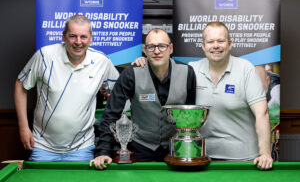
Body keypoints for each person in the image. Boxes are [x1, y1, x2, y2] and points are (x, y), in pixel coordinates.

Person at [133, 22, 273, 169]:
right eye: (210, 41)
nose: (216, 46)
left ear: (230, 44)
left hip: (242, 159)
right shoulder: (191, 70)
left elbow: (262, 114)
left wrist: (265, 153)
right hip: (200, 158)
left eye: (220, 41)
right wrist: (145, 61)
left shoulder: (246, 69)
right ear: (203, 45)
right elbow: (162, 65)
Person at [14, 15, 119, 162]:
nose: (78, 42)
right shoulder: (44, 56)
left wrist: (139, 65)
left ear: (91, 38)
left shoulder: (102, 62)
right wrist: (23, 128)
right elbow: (20, 85)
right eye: (72, 36)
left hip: (82, 148)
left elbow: (120, 91)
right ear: (63, 36)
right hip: (43, 147)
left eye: (83, 37)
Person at [90, 28, 196, 169]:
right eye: (151, 47)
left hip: (175, 149)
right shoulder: (131, 74)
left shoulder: (187, 72)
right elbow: (110, 114)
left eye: (162, 46)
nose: (157, 51)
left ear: (170, 48)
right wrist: (103, 151)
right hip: (140, 148)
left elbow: (191, 116)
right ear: (145, 50)